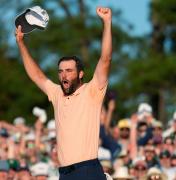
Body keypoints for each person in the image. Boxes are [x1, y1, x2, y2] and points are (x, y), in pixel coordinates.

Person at [15, 6, 112, 180]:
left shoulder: (92, 91)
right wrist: (21, 44)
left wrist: (107, 23)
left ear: (80, 74)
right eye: (60, 71)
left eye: (69, 70)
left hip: (87, 170)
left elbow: (105, 59)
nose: (63, 75)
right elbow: (36, 75)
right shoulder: (56, 93)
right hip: (64, 173)